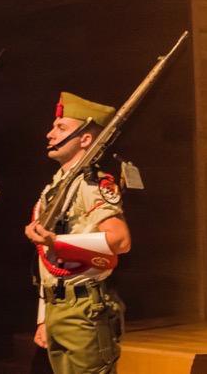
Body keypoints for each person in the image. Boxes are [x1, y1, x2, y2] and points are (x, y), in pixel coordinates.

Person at [24, 93, 131, 373]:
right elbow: (46, 260)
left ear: (85, 139)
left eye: (61, 128)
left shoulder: (92, 184)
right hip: (58, 304)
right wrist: (44, 315)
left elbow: (119, 240)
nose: (50, 134)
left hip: (85, 308)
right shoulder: (55, 186)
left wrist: (57, 241)